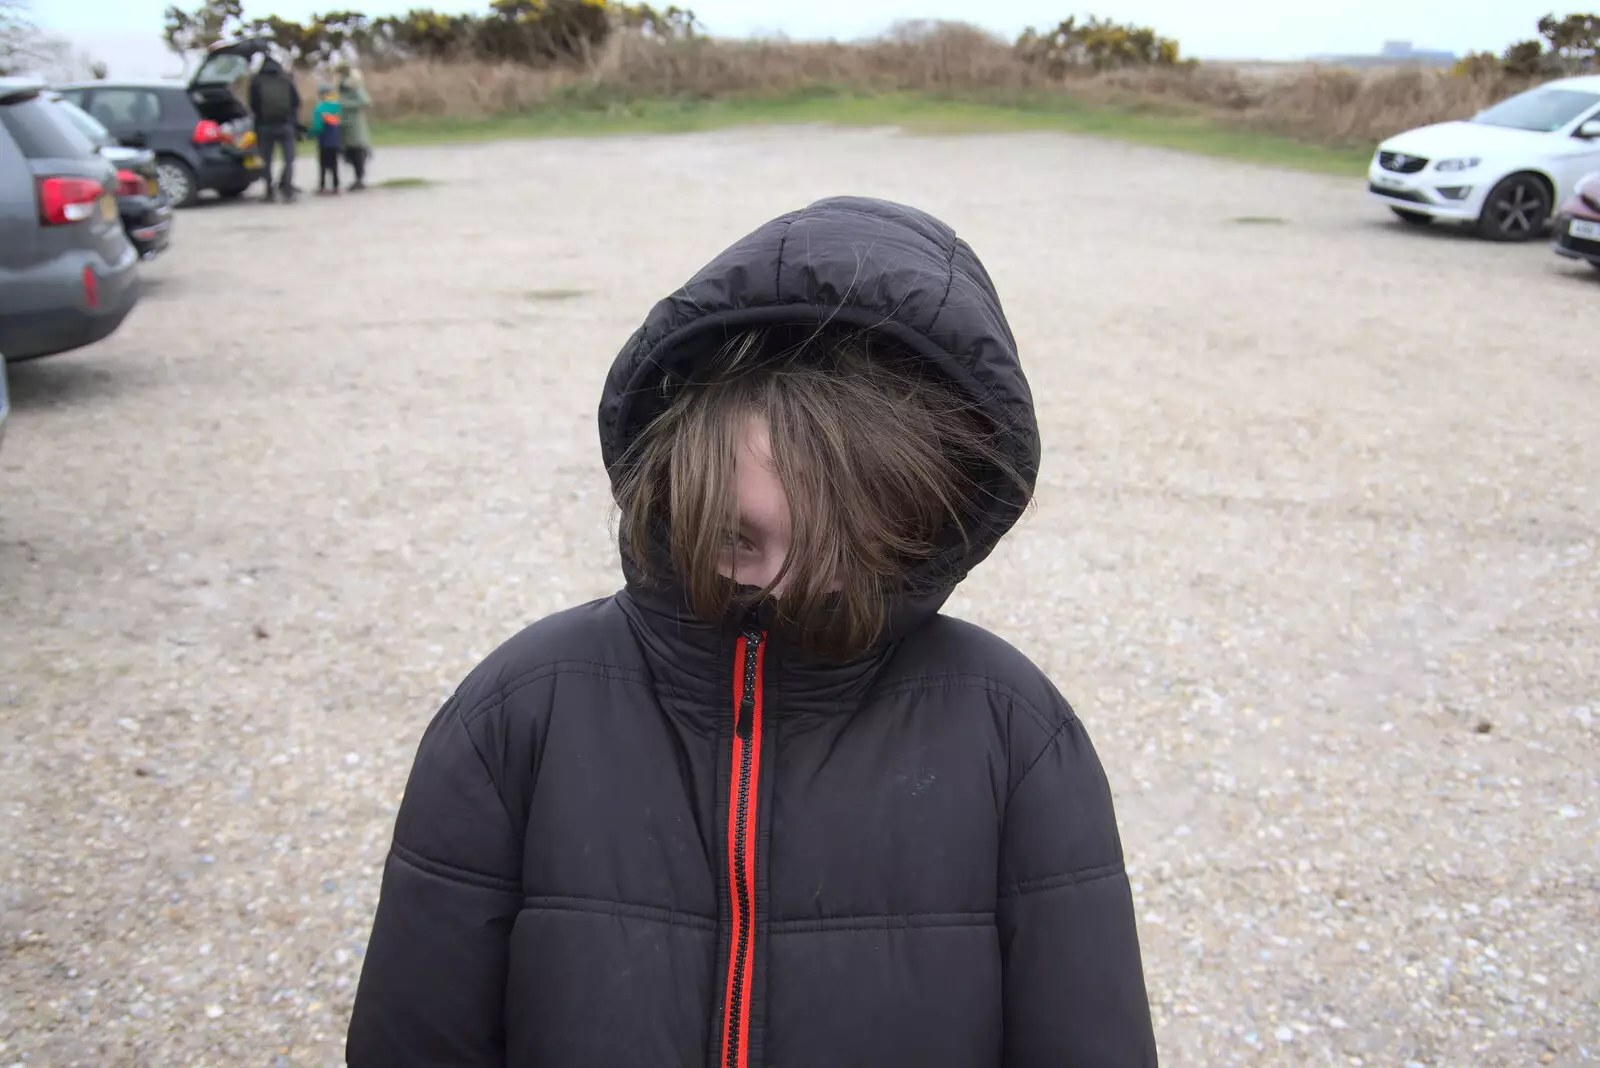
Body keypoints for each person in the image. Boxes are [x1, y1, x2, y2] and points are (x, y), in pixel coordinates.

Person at [345, 196, 1158, 1067]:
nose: (782, 590)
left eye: (843, 547)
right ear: (670, 489)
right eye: (738, 536)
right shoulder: (516, 713)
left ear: (927, 525)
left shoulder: (1016, 732)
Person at [249, 54, 301, 203]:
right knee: (289, 159)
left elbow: (253, 104)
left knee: (266, 160)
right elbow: (296, 102)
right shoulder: (286, 79)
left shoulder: (257, 81)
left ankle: (269, 192)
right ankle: (288, 191)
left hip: (265, 126)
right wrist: (292, 120)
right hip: (285, 124)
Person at [336, 66, 372, 191]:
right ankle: (357, 178)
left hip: (354, 124)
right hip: (343, 122)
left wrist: (344, 105)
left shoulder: (355, 87)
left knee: (357, 150)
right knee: (348, 151)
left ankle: (359, 178)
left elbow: (365, 102)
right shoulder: (341, 88)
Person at [307, 83, 343, 196]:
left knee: (323, 164)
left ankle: (322, 186)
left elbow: (317, 126)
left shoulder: (319, 108)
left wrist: (310, 134)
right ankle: (336, 186)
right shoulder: (337, 107)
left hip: (324, 141)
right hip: (335, 140)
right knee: (334, 164)